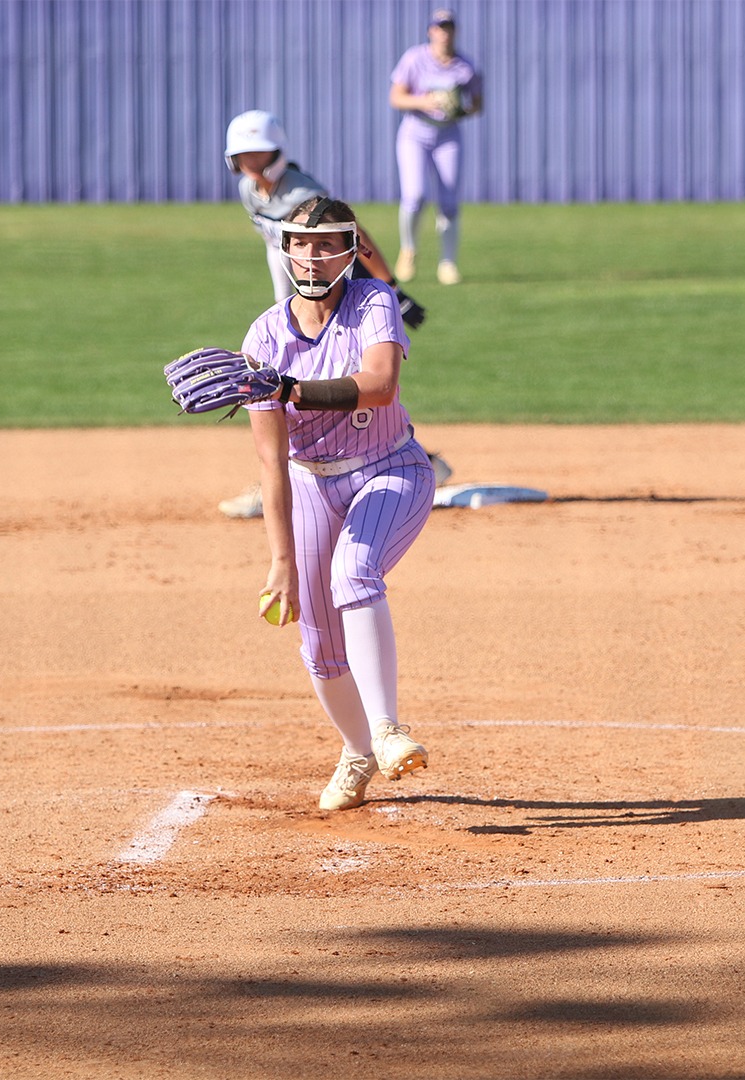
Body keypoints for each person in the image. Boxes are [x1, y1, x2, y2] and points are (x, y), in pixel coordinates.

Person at [237, 196, 436, 812]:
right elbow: (272, 461)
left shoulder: (372, 303)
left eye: (325, 244)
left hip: (390, 469)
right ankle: (357, 753)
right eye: (300, 243)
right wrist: (280, 561)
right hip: (312, 485)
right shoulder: (264, 336)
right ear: (284, 249)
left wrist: (295, 388)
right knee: (320, 647)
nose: (312, 256)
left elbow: (381, 385)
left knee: (356, 569)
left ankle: (386, 730)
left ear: (350, 249)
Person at [218, 110, 448, 519]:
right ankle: (283, 471)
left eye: (259, 153)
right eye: (244, 155)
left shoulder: (300, 191)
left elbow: (349, 228)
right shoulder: (248, 192)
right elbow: (278, 247)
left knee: (360, 375)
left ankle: (409, 458)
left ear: (276, 151)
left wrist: (390, 284)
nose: (251, 162)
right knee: (297, 371)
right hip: (299, 280)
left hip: (341, 275)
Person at [389, 8, 483, 286]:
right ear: (431, 31)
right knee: (415, 195)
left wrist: (460, 109)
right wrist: (425, 102)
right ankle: (408, 250)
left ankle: (448, 263)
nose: (444, 32)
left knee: (449, 202)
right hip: (415, 134)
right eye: (439, 27)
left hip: (447, 135)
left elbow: (477, 103)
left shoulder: (464, 66)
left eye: (449, 27)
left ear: (455, 31)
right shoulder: (415, 58)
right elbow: (396, 97)